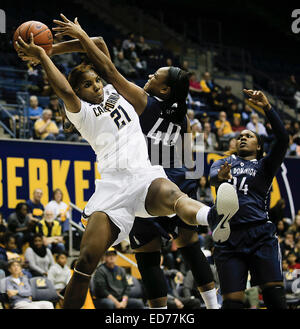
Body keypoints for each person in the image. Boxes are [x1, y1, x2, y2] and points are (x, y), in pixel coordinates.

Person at [16, 14, 238, 309]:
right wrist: (44, 56)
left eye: (96, 80)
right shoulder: (78, 112)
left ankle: (212, 216)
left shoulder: (117, 91)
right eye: (87, 84)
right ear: (79, 91)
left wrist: (65, 44)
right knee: (84, 263)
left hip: (144, 175)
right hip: (112, 189)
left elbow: (98, 45)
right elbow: (65, 90)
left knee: (175, 197)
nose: (95, 85)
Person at [208, 89, 289, 309]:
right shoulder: (222, 162)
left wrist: (267, 107)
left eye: (249, 136)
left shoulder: (264, 166)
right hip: (229, 236)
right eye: (240, 136)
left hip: (260, 233)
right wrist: (220, 177)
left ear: (259, 146)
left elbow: (283, 139)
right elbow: (213, 178)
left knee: (274, 297)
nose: (243, 137)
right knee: (233, 303)